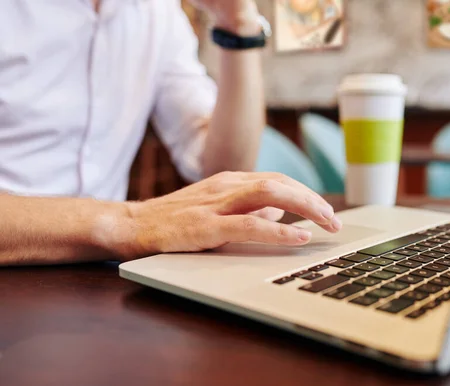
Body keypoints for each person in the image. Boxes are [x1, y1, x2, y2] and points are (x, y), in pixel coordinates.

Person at [0, 0, 341, 266]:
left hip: (97, 275)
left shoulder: (157, 12)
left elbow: (223, 164)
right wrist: (134, 222)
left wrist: (238, 25)